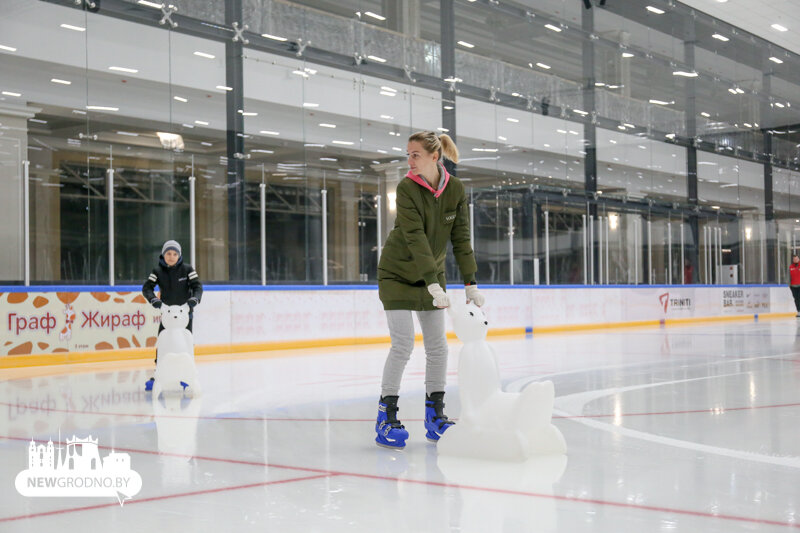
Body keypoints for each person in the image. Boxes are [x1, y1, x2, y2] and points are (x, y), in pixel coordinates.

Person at [374, 131, 485, 449]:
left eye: (416, 155)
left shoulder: (456, 189)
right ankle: (386, 417)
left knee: (438, 348)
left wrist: (470, 282)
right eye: (408, 154)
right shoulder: (407, 188)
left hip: (431, 277)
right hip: (396, 274)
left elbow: (461, 237)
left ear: (435, 157)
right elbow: (415, 237)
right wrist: (433, 282)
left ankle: (435, 417)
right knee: (403, 345)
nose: (409, 161)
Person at [142, 240, 203, 390]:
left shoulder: (187, 269)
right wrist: (153, 299)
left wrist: (195, 299)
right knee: (163, 344)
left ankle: (187, 375)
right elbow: (147, 288)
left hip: (185, 316)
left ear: (179, 255)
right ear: (163, 255)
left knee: (186, 344)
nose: (171, 256)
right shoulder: (157, 271)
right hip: (167, 317)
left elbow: (197, 287)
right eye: (168, 253)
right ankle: (158, 373)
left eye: (175, 254)